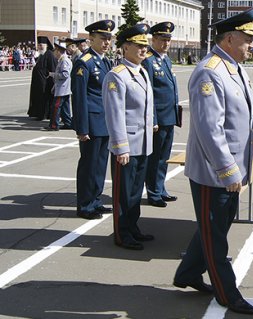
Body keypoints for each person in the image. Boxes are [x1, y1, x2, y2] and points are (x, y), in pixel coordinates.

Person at [173, 7, 253, 315]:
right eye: (248, 40)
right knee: (216, 236)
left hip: (232, 170)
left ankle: (188, 273)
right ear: (230, 38)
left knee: (215, 227)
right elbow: (208, 129)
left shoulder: (234, 67)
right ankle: (228, 294)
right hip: (213, 173)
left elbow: (252, 105)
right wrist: (227, 171)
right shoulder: (210, 71)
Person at [103, 24, 155, 250]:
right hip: (127, 145)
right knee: (123, 193)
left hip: (143, 143)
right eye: (138, 45)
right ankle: (122, 234)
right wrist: (120, 147)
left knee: (135, 191)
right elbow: (115, 114)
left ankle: (133, 227)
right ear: (125, 48)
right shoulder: (117, 76)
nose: (144, 49)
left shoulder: (141, 71)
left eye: (145, 45)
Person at [71, 20, 115, 220]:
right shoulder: (84, 62)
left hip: (104, 122)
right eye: (103, 38)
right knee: (89, 166)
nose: (107, 42)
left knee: (99, 166)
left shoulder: (105, 61)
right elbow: (79, 97)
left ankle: (96, 201)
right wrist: (81, 127)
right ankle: (85, 205)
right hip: (91, 123)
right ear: (91, 39)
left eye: (109, 39)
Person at [142, 21, 180, 208]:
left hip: (169, 116)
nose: (166, 43)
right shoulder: (148, 60)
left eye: (168, 40)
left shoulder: (166, 60)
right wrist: (153, 119)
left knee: (164, 157)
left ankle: (160, 188)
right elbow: (148, 94)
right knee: (155, 157)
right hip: (158, 119)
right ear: (153, 40)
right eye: (162, 39)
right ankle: (153, 192)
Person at [27, 36, 57, 120]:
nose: (40, 47)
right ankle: (39, 113)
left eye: (41, 45)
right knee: (39, 99)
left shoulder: (50, 54)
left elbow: (53, 69)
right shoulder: (41, 54)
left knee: (45, 99)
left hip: (46, 83)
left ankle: (45, 114)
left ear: (46, 45)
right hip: (39, 83)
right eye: (39, 45)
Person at [47, 41, 72, 131]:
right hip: (63, 88)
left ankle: (54, 125)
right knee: (65, 108)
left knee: (56, 107)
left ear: (58, 51)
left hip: (62, 89)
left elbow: (65, 75)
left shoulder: (64, 61)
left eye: (55, 51)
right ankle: (68, 123)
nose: (54, 53)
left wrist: (53, 75)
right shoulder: (62, 60)